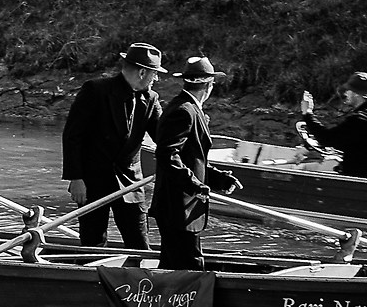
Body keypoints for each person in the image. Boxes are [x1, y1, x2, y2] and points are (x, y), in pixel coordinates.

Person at [60, 42, 166, 250]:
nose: (156, 79)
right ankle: (91, 278)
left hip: (130, 182)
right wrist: (76, 178)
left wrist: (189, 128)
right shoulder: (95, 90)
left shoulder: (151, 99)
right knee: (93, 242)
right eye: (155, 74)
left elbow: (164, 137)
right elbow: (73, 135)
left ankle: (141, 281)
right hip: (92, 182)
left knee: (139, 243)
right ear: (143, 72)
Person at [149, 56, 241, 271]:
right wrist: (194, 186)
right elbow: (167, 155)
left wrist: (219, 178)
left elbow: (193, 159)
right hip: (178, 207)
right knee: (189, 266)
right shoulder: (184, 111)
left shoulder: (189, 108)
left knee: (174, 266)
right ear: (208, 85)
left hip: (183, 207)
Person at [298, 70, 367, 182]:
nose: (345, 93)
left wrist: (307, 114)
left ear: (356, 94)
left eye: (348, 91)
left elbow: (327, 139)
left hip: (364, 184)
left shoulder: (361, 119)